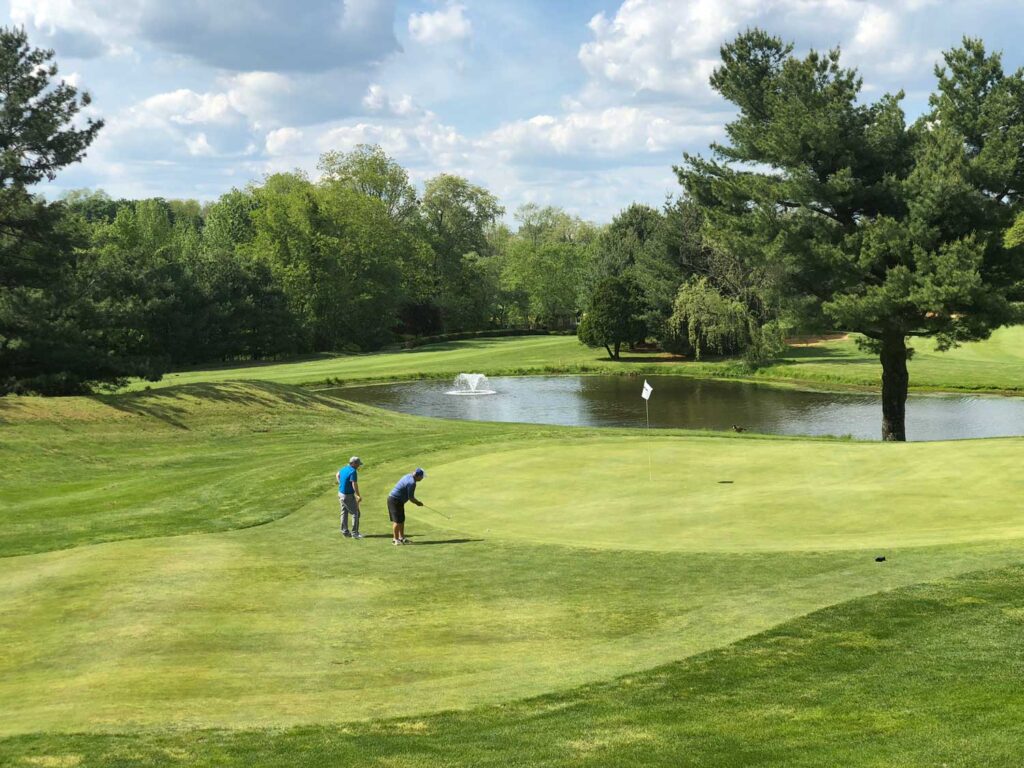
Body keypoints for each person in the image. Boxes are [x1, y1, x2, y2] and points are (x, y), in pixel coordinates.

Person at [387, 467, 425, 545]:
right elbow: (411, 497)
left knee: (401, 520)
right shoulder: (412, 483)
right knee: (397, 521)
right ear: (417, 476)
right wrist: (418, 503)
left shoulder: (408, 475)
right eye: (422, 477)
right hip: (394, 500)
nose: (422, 478)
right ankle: (395, 539)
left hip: (398, 501)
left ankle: (401, 538)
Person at [337, 456, 364, 539]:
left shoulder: (344, 468)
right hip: (347, 495)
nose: (359, 466)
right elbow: (354, 484)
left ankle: (345, 532)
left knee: (344, 512)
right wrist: (358, 495)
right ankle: (355, 533)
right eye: (358, 464)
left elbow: (337, 474)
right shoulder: (353, 471)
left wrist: (340, 484)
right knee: (355, 513)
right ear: (354, 464)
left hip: (340, 494)